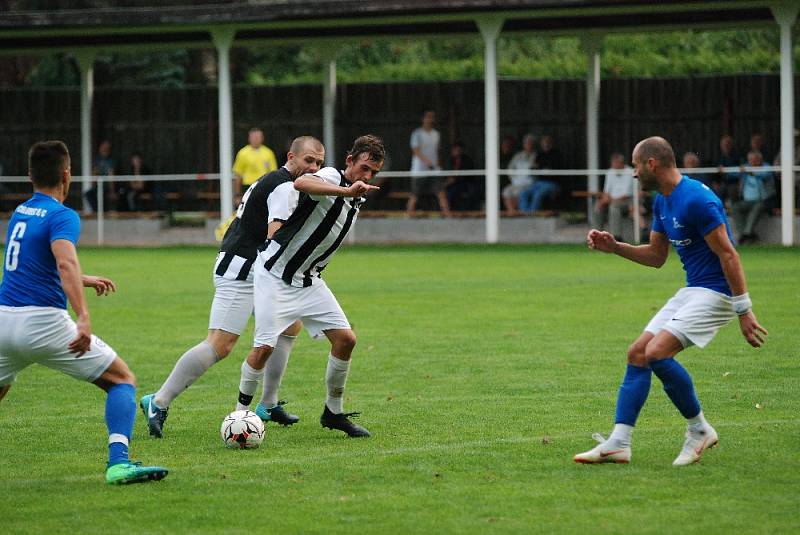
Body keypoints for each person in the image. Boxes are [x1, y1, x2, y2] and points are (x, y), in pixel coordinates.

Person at [574, 136, 767, 467]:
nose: (633, 173)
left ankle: (699, 430)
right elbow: (656, 256)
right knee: (637, 353)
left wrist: (743, 310)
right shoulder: (664, 201)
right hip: (694, 290)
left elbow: (729, 255)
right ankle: (619, 443)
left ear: (651, 164)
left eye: (636, 165)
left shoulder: (695, 200)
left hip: (719, 293)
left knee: (656, 353)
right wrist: (616, 246)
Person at [0, 141, 168, 484]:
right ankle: (119, 462)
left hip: (4, 321)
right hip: (43, 324)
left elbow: (34, 262)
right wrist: (84, 316)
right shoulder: (63, 215)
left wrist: (84, 278)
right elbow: (64, 261)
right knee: (122, 380)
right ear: (67, 175)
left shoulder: (21, 211)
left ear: (30, 175)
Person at [140, 136, 326, 438]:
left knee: (289, 327)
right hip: (241, 267)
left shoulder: (283, 182)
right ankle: (157, 401)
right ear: (291, 156)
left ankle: (268, 404)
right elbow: (274, 235)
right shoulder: (282, 185)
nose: (314, 167)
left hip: (259, 268)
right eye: (309, 161)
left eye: (319, 163)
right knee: (219, 345)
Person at [237, 135, 384, 438]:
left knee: (346, 340)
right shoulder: (332, 177)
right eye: (364, 168)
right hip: (274, 274)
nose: (367, 177)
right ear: (349, 162)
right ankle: (240, 416)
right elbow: (301, 184)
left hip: (308, 281)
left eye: (373, 173)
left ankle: (333, 412)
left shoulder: (356, 198)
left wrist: (350, 194)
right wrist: (344, 189)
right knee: (264, 346)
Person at [406, 109, 447, 216]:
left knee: (441, 193)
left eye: (432, 117)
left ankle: (448, 216)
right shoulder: (417, 133)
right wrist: (427, 162)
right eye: (428, 116)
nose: (430, 119)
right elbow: (415, 150)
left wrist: (437, 165)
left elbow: (437, 151)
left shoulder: (436, 134)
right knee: (415, 195)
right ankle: (408, 217)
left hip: (434, 170)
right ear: (423, 118)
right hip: (419, 170)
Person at [732, 150, 775, 244]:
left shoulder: (766, 167)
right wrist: (722, 170)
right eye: (751, 160)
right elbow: (732, 174)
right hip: (747, 201)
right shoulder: (746, 167)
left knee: (757, 207)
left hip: (764, 201)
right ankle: (746, 234)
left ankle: (746, 234)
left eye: (755, 160)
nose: (753, 162)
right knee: (735, 208)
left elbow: (764, 176)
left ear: (760, 159)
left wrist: (751, 172)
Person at [593, 152, 634, 240]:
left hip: (627, 201)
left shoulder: (630, 172)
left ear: (622, 163)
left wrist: (611, 200)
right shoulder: (610, 172)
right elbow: (606, 191)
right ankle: (597, 236)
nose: (614, 165)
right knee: (598, 206)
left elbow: (626, 194)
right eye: (613, 163)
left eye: (616, 163)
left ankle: (616, 236)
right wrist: (603, 200)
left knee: (614, 208)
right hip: (612, 200)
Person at [520, 134, 561, 213]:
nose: (546, 144)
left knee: (537, 194)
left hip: (552, 183)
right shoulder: (539, 154)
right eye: (544, 142)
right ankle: (524, 213)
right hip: (539, 183)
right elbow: (533, 168)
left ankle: (531, 215)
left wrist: (541, 167)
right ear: (541, 144)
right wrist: (542, 167)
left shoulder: (556, 154)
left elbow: (553, 168)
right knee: (523, 193)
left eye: (548, 142)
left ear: (552, 143)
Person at [232, 127, 278, 195]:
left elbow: (273, 174)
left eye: (258, 137)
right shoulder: (242, 153)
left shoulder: (269, 153)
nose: (256, 139)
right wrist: (237, 194)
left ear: (262, 138)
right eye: (254, 137)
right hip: (248, 186)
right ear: (249, 138)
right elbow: (238, 175)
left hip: (263, 186)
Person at [502, 134, 536, 215]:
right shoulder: (518, 156)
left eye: (530, 143)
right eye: (527, 143)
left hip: (530, 182)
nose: (529, 145)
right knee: (506, 191)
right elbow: (510, 168)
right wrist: (513, 179)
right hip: (517, 182)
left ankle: (519, 212)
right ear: (524, 145)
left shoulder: (537, 155)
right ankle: (511, 211)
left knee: (519, 192)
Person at [443, 141, 480, 212]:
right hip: (450, 183)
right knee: (442, 191)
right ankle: (445, 211)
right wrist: (446, 183)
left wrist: (452, 180)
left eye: (457, 150)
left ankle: (453, 212)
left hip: (464, 184)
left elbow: (463, 177)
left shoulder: (467, 160)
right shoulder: (450, 160)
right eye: (454, 150)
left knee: (451, 193)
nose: (455, 152)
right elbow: (448, 174)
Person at [84, 139, 116, 213]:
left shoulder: (111, 161)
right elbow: (94, 173)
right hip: (98, 186)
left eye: (107, 148)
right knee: (88, 193)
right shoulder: (97, 160)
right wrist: (93, 185)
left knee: (103, 195)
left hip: (107, 187)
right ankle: (97, 213)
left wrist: (112, 191)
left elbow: (112, 176)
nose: (105, 150)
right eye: (103, 148)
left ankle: (102, 213)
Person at [716, 134, 741, 203]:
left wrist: (726, 172)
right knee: (717, 192)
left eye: (728, 144)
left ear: (732, 145)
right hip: (722, 182)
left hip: (734, 182)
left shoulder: (737, 156)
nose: (726, 146)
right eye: (724, 144)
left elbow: (740, 171)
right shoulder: (718, 156)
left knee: (732, 191)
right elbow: (715, 173)